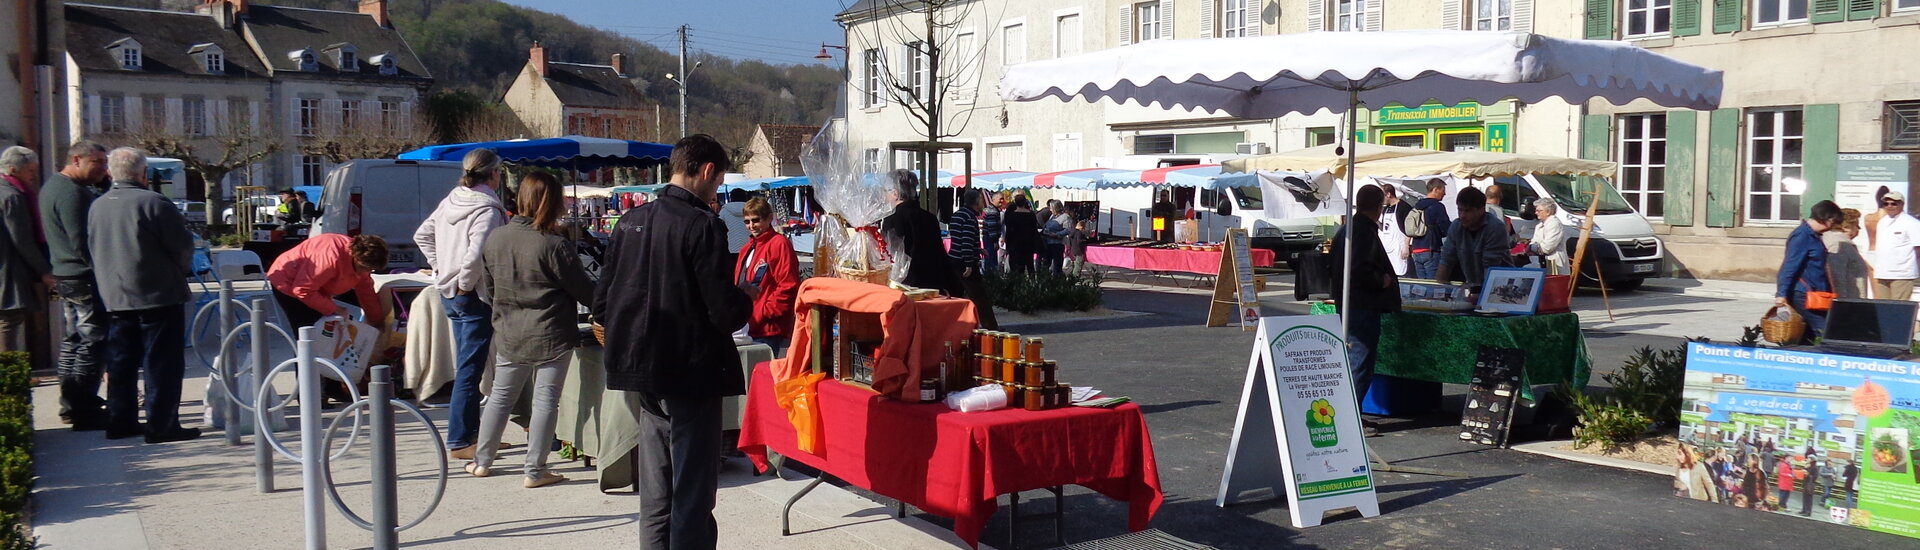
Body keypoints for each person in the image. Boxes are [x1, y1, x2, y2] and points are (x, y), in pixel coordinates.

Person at [592, 134, 750, 550]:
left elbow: (602, 302)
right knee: (692, 491)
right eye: (717, 183)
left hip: (642, 368)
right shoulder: (702, 226)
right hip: (690, 370)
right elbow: (722, 310)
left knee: (657, 489)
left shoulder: (630, 222)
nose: (716, 192)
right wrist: (745, 296)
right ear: (708, 172)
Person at [468, 171, 596, 489]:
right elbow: (586, 292)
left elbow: (491, 290)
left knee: (500, 396)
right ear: (551, 202)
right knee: (545, 401)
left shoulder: (496, 238)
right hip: (551, 331)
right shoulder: (554, 245)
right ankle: (535, 470)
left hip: (509, 329)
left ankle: (482, 461)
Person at [90, 148, 197, 443]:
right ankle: (161, 425)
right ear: (143, 174)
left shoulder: (97, 206)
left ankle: (120, 420)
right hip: (158, 292)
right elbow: (182, 247)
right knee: (161, 362)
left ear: (111, 173)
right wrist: (179, 272)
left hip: (115, 294)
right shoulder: (154, 202)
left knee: (121, 360)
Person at [414, 148, 508, 460]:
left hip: (450, 292)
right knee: (470, 370)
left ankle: (472, 434)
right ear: (493, 174)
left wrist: (442, 268)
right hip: (470, 295)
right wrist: (464, 282)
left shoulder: (452, 200)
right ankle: (460, 440)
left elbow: (423, 235)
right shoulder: (488, 209)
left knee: (469, 367)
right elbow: (477, 253)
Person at [42, 141, 110, 430]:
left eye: (105, 163)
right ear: (76, 159)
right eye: (97, 162)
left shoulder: (56, 187)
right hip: (81, 276)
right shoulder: (72, 193)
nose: (103, 169)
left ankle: (71, 405)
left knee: (74, 342)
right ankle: (82, 408)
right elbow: (82, 242)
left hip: (67, 275)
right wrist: (104, 273)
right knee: (91, 342)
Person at [1329, 184, 1399, 430]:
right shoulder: (1361, 231)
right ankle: (1350, 419)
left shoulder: (1349, 229)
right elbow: (1358, 269)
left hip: (1351, 304)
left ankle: (1350, 414)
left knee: (1354, 360)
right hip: (1361, 305)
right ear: (1379, 207)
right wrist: (1382, 280)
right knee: (1359, 360)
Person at [266, 234, 388, 331]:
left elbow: (366, 291)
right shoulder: (329, 259)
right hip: (288, 281)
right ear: (357, 258)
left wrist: (376, 322)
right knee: (309, 331)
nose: (366, 272)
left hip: (313, 286)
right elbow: (302, 289)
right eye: (365, 268)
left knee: (328, 329)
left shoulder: (362, 261)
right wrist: (334, 308)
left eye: (370, 269)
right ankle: (305, 361)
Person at [734, 196, 802, 354]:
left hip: (767, 328)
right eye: (747, 221)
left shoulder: (779, 244)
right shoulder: (747, 248)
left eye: (756, 220)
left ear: (769, 218)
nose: (751, 226)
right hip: (745, 326)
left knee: (762, 372)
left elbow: (788, 286)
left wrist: (764, 312)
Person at [0, 147, 50, 355]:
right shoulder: (13, 196)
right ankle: (8, 378)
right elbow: (22, 240)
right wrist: (44, 270)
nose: (34, 176)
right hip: (8, 268)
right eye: (30, 170)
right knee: (8, 321)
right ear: (13, 170)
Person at [880, 170, 960, 294]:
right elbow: (939, 253)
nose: (884, 195)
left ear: (895, 193)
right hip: (931, 284)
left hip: (905, 285)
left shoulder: (892, 218)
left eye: (885, 191)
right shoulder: (929, 217)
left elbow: (891, 255)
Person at [1776, 200, 1844, 345]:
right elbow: (1790, 266)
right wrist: (1781, 293)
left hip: (1815, 293)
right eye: (1833, 221)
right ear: (1827, 218)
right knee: (1826, 331)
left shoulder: (1814, 236)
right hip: (1803, 294)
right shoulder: (1802, 236)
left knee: (1807, 335)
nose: (1833, 226)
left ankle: (1799, 360)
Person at [1435, 187, 1510, 289]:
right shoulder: (1456, 226)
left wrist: (1480, 293)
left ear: (1482, 209)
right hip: (1475, 285)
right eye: (1460, 210)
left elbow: (1491, 268)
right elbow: (1446, 261)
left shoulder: (1495, 227)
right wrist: (1437, 291)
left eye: (1468, 211)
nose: (1462, 215)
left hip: (1502, 287)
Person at [947, 189, 999, 330]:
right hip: (965, 262)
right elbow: (966, 242)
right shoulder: (970, 218)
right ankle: (991, 328)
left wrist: (978, 248)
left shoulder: (958, 215)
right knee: (980, 297)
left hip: (954, 259)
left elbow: (958, 238)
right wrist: (969, 264)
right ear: (976, 201)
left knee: (955, 296)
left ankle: (954, 326)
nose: (983, 203)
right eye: (981, 200)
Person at [1870, 192, 1920, 301]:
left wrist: (1907, 264)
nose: (1889, 206)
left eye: (1894, 203)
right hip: (1883, 272)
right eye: (1886, 204)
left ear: (1902, 204)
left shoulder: (1911, 222)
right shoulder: (1882, 222)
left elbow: (1918, 248)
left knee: (1899, 307)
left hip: (1902, 274)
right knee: (1883, 307)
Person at [1410, 179, 1451, 279]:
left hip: (1416, 249)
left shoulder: (1417, 205)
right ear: (1435, 189)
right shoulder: (1437, 206)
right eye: (1443, 190)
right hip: (1431, 249)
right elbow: (1446, 228)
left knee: (1421, 286)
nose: (1445, 193)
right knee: (1432, 285)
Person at [1826, 209, 1870, 299]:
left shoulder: (1837, 242)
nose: (1858, 230)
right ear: (1847, 227)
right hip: (1848, 301)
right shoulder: (1841, 245)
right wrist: (1842, 303)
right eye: (1857, 226)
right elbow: (1838, 277)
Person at [1378, 184, 1411, 277]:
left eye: (1382, 196)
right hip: (1388, 248)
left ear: (1388, 194)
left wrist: (1406, 247)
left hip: (1399, 248)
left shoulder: (1404, 207)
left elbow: (1408, 229)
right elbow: (1385, 228)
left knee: (1401, 275)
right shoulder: (1385, 209)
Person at [1530, 198, 1570, 275]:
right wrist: (1533, 247)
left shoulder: (1554, 224)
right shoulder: (1540, 225)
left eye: (1539, 211)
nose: (1536, 213)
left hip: (1554, 264)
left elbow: (1547, 248)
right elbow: (1534, 242)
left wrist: (1531, 247)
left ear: (1548, 212)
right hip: (1541, 262)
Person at [1002, 195, 1039, 276]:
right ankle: (1032, 285)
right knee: (1030, 267)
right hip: (1028, 245)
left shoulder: (1011, 217)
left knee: (1016, 269)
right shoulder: (1031, 215)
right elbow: (1034, 231)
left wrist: (1007, 246)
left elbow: (1008, 232)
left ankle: (1018, 285)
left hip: (1015, 245)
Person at [1041, 200, 1071, 276]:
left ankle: (1057, 280)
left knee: (1057, 265)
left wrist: (1057, 235)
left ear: (1055, 208)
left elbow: (1068, 230)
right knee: (1045, 263)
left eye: (1051, 208)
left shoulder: (1065, 217)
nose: (1050, 210)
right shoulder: (1052, 216)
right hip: (1047, 243)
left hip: (1057, 244)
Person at [981, 192, 1003, 275]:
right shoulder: (992, 211)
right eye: (1000, 198)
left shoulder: (992, 209)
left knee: (990, 259)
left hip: (989, 238)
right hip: (990, 239)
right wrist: (995, 242)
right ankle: (990, 279)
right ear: (994, 199)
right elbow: (992, 227)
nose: (1002, 201)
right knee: (991, 260)